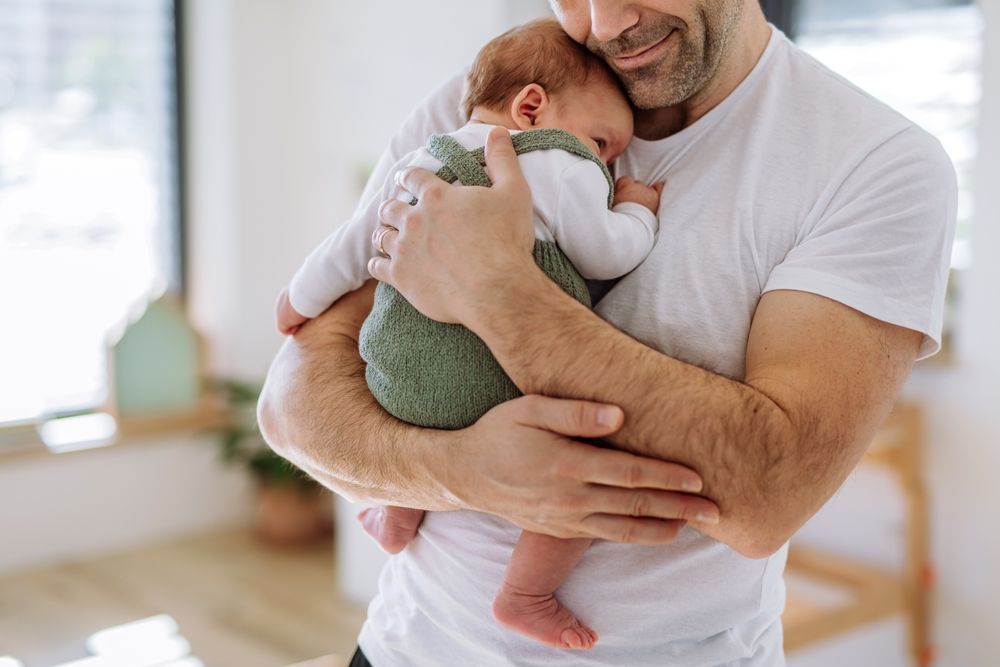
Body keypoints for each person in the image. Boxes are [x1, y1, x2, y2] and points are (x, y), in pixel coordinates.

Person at [258, 1, 957, 665]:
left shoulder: (874, 162)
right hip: (404, 647)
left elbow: (768, 494)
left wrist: (499, 291)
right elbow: (289, 406)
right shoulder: (504, 93)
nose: (606, 22)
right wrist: (461, 471)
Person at [274, 20, 676, 650]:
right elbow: (604, 254)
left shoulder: (428, 154)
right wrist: (635, 211)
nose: (608, 160)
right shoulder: (554, 159)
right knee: (586, 476)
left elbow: (355, 244)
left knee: (424, 427)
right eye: (603, 142)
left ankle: (396, 508)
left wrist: (298, 297)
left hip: (395, 374)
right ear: (533, 106)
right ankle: (527, 594)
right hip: (496, 381)